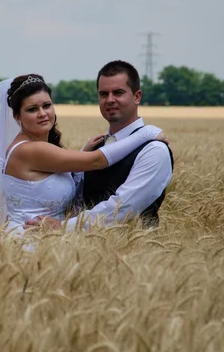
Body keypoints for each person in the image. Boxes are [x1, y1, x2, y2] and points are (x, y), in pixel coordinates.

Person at [0, 73, 167, 243]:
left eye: (47, 105)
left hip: (49, 240)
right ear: (17, 117)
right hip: (28, 241)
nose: (42, 114)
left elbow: (54, 178)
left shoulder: (42, 150)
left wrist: (81, 154)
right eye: (32, 109)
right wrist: (146, 133)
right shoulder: (30, 150)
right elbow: (97, 161)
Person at [24, 60, 174, 232]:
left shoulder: (154, 150)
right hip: (82, 251)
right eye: (103, 94)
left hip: (132, 254)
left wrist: (64, 227)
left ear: (137, 96)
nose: (110, 100)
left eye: (118, 93)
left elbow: (123, 208)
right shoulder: (95, 149)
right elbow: (74, 198)